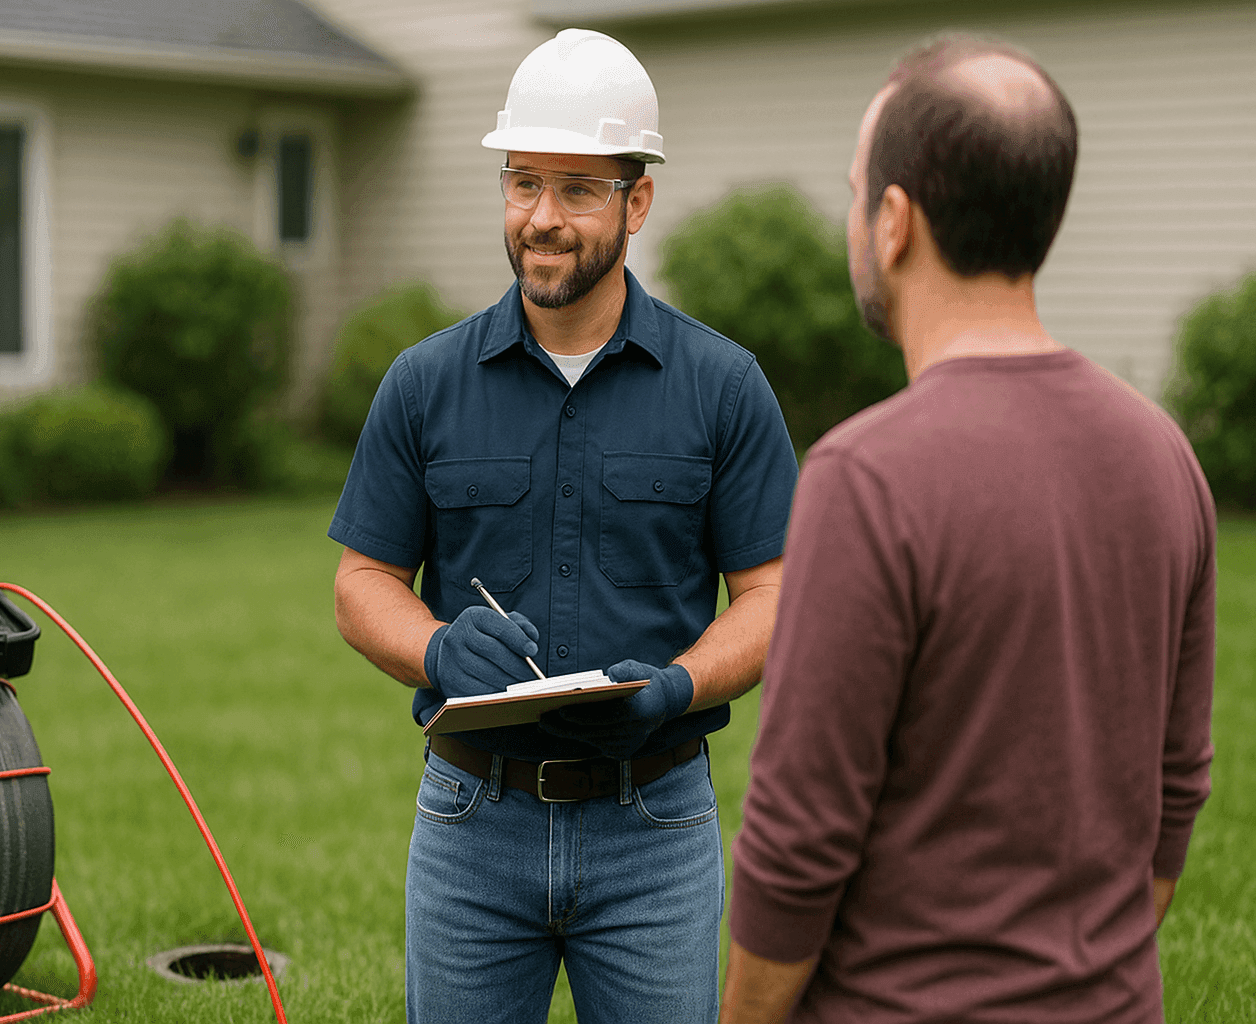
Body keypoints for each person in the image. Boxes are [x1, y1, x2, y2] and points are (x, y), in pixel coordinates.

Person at [721, 34, 1217, 1024]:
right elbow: (1175, 794)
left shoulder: (864, 476)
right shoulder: (1166, 455)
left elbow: (797, 842)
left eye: (858, 191)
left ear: (895, 222)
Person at [328, 27, 799, 1024]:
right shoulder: (424, 384)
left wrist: (677, 686)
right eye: (523, 182)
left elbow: (773, 597)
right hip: (469, 821)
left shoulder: (723, 388)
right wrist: (439, 647)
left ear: (638, 201)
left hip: (655, 825)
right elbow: (361, 582)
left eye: (578, 189)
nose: (543, 217)